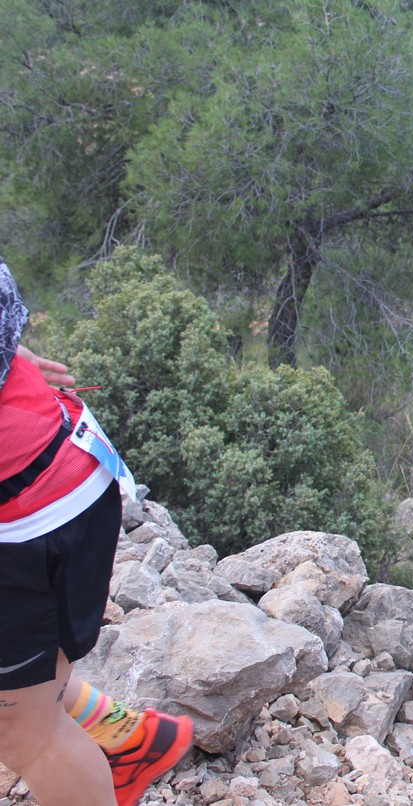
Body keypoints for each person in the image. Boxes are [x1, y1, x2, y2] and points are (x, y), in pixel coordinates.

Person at [0, 259, 194, 806]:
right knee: (25, 686)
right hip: (61, 468)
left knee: (24, 734)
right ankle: (130, 740)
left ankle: (118, 748)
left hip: (30, 514)